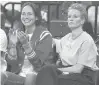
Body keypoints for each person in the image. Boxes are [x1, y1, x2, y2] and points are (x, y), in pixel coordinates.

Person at [36, 3, 99, 85]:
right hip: (67, 71)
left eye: (75, 17)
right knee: (46, 70)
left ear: (82, 20)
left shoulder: (86, 40)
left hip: (83, 76)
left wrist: (58, 71)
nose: (71, 19)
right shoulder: (66, 38)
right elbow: (54, 45)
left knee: (56, 78)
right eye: (69, 17)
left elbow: (78, 69)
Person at [4, 2, 53, 85]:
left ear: (36, 17)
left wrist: (26, 45)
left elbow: (39, 65)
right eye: (23, 14)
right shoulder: (19, 34)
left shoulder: (45, 35)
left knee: (30, 76)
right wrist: (12, 47)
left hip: (40, 77)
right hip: (20, 76)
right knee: (1, 75)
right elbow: (13, 65)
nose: (26, 17)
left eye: (29, 14)